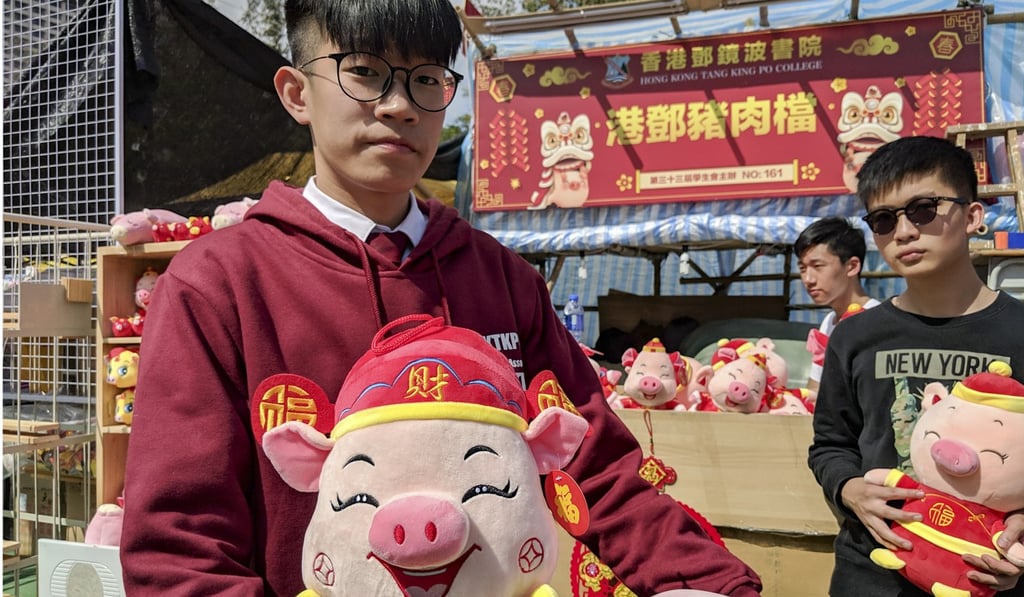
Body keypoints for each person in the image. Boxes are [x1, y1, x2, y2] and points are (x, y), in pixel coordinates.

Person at [118, 1, 762, 595]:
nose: (400, 106)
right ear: (295, 93)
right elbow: (179, 547)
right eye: (365, 73)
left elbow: (596, 465)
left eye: (427, 79)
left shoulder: (503, 280)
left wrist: (707, 581)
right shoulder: (219, 285)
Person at [807, 135, 1024, 597]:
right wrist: (848, 489)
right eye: (883, 219)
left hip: (989, 575)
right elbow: (830, 445)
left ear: (973, 216)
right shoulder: (855, 336)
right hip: (873, 573)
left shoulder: (1020, 331)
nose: (903, 231)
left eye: (924, 209)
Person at [795, 216, 880, 392]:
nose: (808, 279)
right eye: (803, 269)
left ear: (852, 266)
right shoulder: (829, 322)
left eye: (817, 266)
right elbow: (815, 389)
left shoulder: (877, 320)